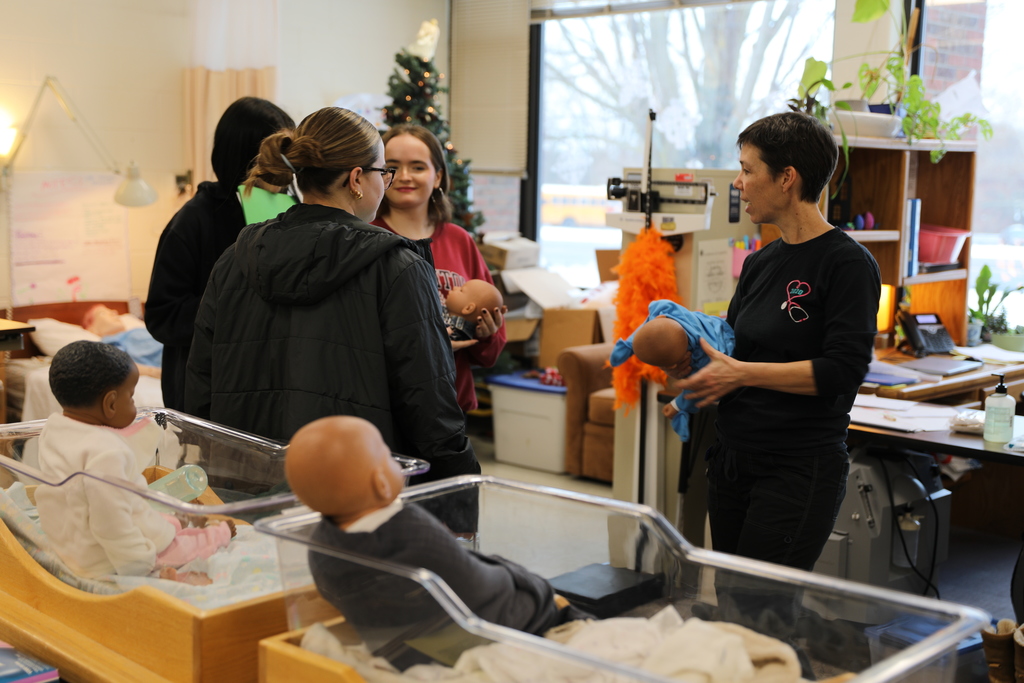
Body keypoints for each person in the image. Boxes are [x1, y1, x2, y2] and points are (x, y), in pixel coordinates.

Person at [184, 107, 479, 483]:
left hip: (246, 484)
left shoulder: (235, 259)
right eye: (384, 172)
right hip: (353, 490)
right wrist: (461, 490)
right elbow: (430, 405)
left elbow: (199, 387)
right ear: (357, 178)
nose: (386, 183)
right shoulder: (397, 267)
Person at [676, 111, 881, 573]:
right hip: (732, 459)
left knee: (763, 612)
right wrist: (696, 376)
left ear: (787, 177)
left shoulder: (847, 264)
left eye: (748, 170)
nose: (738, 182)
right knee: (732, 598)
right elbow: (733, 349)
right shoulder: (760, 263)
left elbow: (842, 372)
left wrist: (742, 373)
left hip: (796, 470)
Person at [286, 415, 585, 667]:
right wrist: (528, 584)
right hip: (498, 628)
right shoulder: (409, 530)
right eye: (389, 456)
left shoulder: (322, 547)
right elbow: (476, 585)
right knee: (551, 601)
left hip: (399, 647)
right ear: (380, 482)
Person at [34, 341, 233, 581]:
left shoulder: (55, 429)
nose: (134, 405)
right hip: (104, 561)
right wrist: (141, 566)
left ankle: (174, 523)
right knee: (185, 545)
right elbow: (111, 524)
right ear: (110, 404)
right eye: (131, 397)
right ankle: (216, 534)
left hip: (69, 545)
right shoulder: (106, 452)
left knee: (160, 520)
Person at [146, 97, 295, 411]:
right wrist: (236, 304)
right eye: (279, 153)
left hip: (270, 385)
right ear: (249, 156)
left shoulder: (288, 212)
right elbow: (163, 316)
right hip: (208, 389)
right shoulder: (194, 221)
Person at [372, 124, 506, 412]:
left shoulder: (459, 240)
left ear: (438, 177)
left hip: (452, 404)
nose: (404, 177)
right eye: (392, 167)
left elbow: (490, 351)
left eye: (418, 167)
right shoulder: (364, 238)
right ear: (380, 175)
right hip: (387, 406)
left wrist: (486, 335)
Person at [610, 300, 734, 442]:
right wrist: (631, 343)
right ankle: (627, 346)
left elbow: (696, 389)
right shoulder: (666, 309)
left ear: (675, 364)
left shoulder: (706, 358)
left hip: (727, 341)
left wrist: (677, 406)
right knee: (649, 336)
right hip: (713, 325)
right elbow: (649, 325)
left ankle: (627, 346)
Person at [82, 304, 163, 378]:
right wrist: (156, 372)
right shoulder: (111, 340)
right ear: (92, 329)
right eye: (102, 313)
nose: (114, 312)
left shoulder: (136, 330)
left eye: (111, 310)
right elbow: (116, 364)